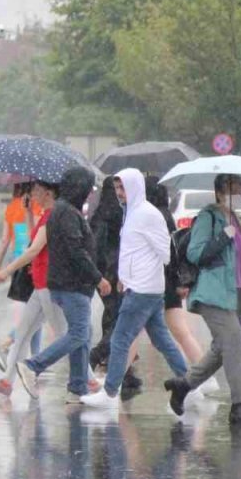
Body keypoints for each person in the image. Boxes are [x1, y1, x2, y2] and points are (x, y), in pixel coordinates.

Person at [81, 169, 188, 408]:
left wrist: (136, 276)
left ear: (135, 187)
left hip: (142, 289)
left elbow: (163, 251)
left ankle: (109, 393)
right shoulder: (131, 212)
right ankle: (190, 383)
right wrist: (124, 277)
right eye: (117, 188)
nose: (120, 193)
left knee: (120, 339)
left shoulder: (146, 214)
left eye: (124, 188)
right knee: (161, 340)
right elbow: (131, 250)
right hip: (140, 286)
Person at [165, 174, 241, 429]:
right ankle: (239, 407)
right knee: (235, 346)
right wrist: (222, 237)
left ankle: (183, 385)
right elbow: (195, 253)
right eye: (234, 190)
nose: (237, 196)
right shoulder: (208, 217)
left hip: (237, 294)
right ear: (219, 192)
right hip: (213, 293)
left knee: (222, 348)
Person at [19, 166, 111, 402]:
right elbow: (76, 251)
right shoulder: (68, 212)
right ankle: (33, 365)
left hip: (67, 284)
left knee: (83, 335)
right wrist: (98, 278)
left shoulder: (63, 210)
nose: (90, 193)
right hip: (73, 284)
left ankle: (77, 386)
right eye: (88, 188)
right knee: (79, 334)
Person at [0, 180, 69, 396]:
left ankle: (89, 381)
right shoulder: (43, 216)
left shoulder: (52, 216)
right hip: (39, 284)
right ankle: (7, 381)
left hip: (48, 285)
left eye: (37, 191)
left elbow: (33, 251)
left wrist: (5, 271)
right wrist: (29, 214)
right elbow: (34, 240)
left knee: (65, 336)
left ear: (49, 193)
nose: (32, 194)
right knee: (22, 333)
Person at [153, 178, 210, 382]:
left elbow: (165, 254)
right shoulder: (166, 215)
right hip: (169, 282)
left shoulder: (156, 217)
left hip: (160, 283)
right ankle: (204, 374)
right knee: (181, 333)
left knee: (129, 333)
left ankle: (114, 384)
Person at [89, 176, 142, 391]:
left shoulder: (98, 214)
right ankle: (99, 354)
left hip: (102, 274)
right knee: (122, 321)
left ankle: (122, 369)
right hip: (118, 274)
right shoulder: (122, 215)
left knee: (112, 315)